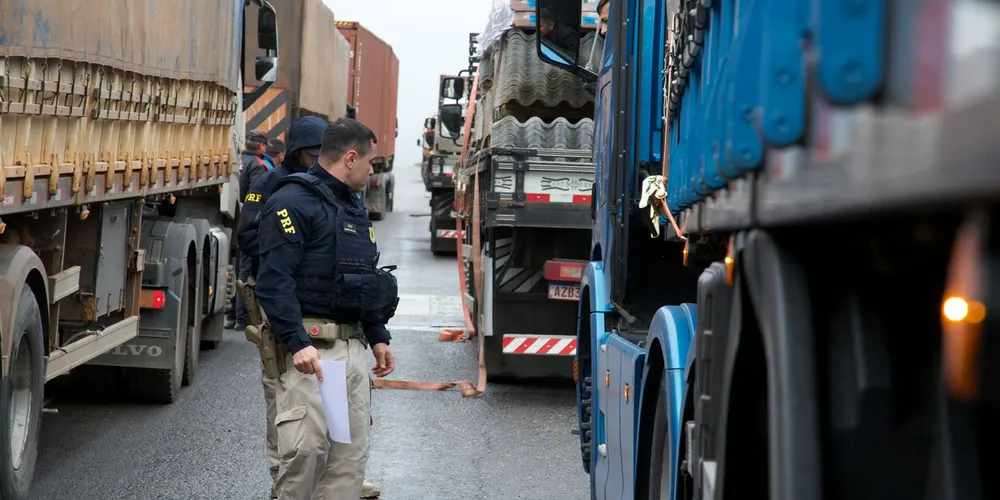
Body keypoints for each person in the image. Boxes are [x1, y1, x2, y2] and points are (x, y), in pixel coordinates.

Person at [237, 116, 384, 499]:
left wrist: (378, 335)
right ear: (350, 158)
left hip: (349, 351)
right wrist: (297, 342)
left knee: (345, 465)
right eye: (370, 161)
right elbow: (274, 281)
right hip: (314, 355)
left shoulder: (351, 205)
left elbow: (363, 276)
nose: (372, 170)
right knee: (306, 455)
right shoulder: (291, 200)